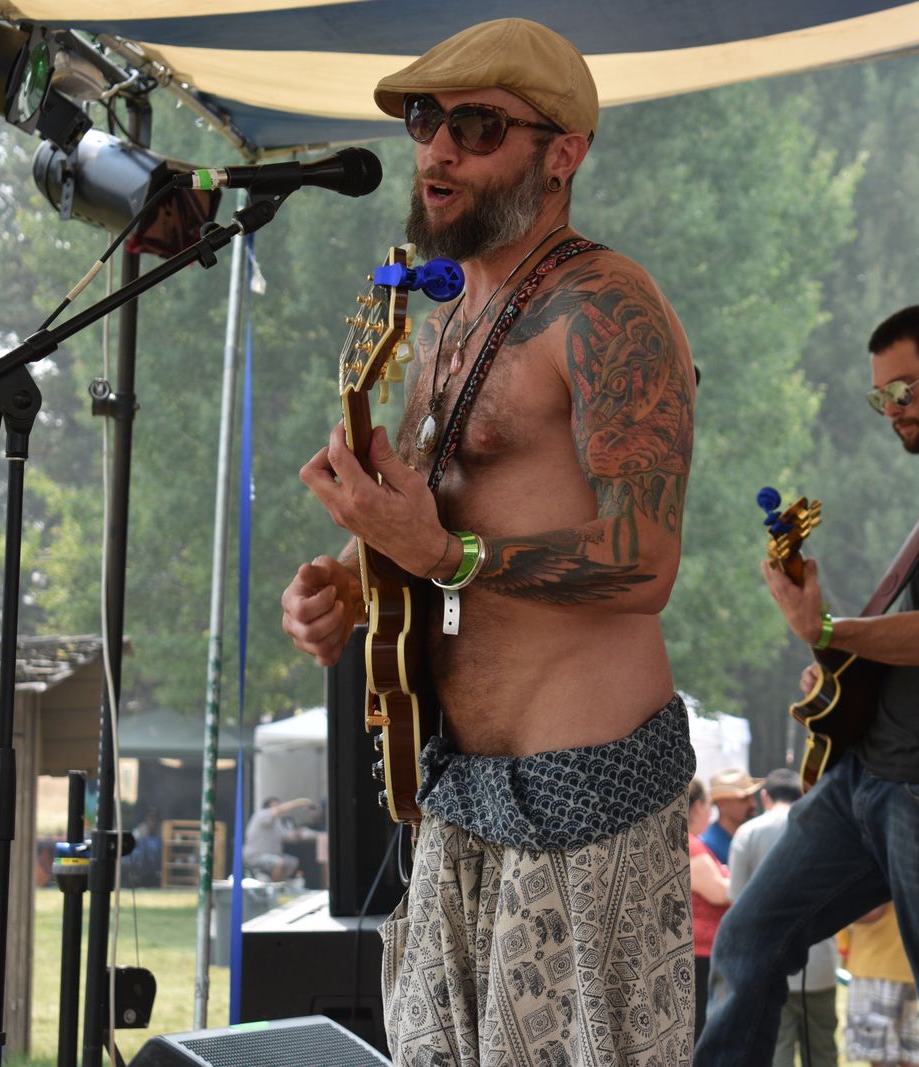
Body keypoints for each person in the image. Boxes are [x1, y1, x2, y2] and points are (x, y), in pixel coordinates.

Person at [277, 17, 698, 1066]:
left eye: (476, 126)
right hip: (456, 793)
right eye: (426, 121)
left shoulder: (608, 304)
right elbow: (445, 529)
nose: (437, 150)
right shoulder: (446, 320)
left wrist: (446, 560)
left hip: (588, 792)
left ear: (563, 154)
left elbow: (645, 558)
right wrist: (352, 582)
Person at [697, 305, 919, 1066]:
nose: (891, 409)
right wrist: (844, 667)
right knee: (749, 938)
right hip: (870, 780)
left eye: (901, 389)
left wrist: (831, 632)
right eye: (879, 397)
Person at [726, 769, 838, 1067]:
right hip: (821, 963)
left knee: (779, 1053)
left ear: (765, 796)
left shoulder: (748, 833)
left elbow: (737, 903)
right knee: (823, 1054)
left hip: (767, 964)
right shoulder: (827, 830)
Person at [838, 903, 919, 1067]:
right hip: (902, 964)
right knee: (907, 1048)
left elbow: (874, 910)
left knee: (879, 1050)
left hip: (876, 964)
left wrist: (838, 910)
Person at [688, 778, 731, 1042]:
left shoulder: (690, 843)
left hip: (701, 952)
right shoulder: (692, 845)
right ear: (698, 807)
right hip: (702, 954)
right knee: (702, 1033)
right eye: (709, 807)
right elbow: (719, 893)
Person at [242, 797, 320, 882]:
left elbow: (287, 837)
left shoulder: (277, 822)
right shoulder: (261, 814)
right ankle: (275, 886)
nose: (279, 808)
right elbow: (277, 810)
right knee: (280, 862)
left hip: (273, 855)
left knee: (292, 862)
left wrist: (298, 832)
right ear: (267, 807)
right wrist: (298, 802)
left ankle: (281, 883)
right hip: (255, 856)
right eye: (275, 806)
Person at [701, 766, 761, 864]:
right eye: (744, 799)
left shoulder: (753, 837)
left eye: (752, 798)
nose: (753, 804)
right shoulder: (707, 846)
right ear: (722, 804)